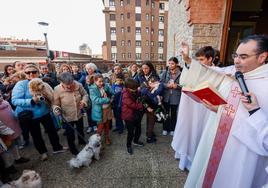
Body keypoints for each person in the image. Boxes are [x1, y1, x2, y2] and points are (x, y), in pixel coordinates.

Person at [182, 34, 268, 188]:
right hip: (218, 142)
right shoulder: (236, 74)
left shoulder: (265, 84)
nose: (236, 61)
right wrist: (219, 109)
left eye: (243, 56)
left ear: (262, 57)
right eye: (235, 55)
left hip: (241, 153)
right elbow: (214, 71)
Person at [171, 45, 219, 171]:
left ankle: (195, 163)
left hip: (204, 110)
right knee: (187, 131)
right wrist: (187, 61)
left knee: (198, 134)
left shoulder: (218, 73)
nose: (198, 63)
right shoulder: (195, 68)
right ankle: (183, 159)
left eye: (202, 60)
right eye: (197, 60)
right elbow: (184, 81)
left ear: (211, 59)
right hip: (190, 108)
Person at [11, 64, 66, 161]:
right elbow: (15, 100)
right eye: (28, 72)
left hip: (45, 112)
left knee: (52, 131)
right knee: (36, 135)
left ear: (38, 72)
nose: (31, 74)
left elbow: (51, 95)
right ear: (25, 73)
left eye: (34, 71)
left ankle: (57, 148)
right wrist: (31, 101)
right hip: (31, 115)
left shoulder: (43, 82)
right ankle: (43, 152)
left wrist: (54, 105)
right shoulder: (21, 84)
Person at [53, 72, 88, 155]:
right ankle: (72, 148)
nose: (69, 86)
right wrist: (56, 109)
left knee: (80, 128)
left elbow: (85, 95)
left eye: (71, 83)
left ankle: (81, 140)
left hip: (78, 113)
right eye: (66, 84)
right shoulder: (57, 89)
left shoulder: (78, 85)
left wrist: (83, 101)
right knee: (70, 134)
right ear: (61, 82)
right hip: (67, 116)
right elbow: (55, 103)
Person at [136, 61, 160, 143]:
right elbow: (135, 86)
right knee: (138, 119)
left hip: (151, 101)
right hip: (142, 101)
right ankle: (136, 138)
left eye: (146, 68)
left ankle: (149, 137)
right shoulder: (139, 75)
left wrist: (143, 87)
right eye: (143, 68)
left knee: (151, 120)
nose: (144, 70)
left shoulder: (155, 76)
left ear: (150, 68)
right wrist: (142, 88)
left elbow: (156, 88)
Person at [121, 78, 144, 155]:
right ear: (128, 87)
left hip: (136, 115)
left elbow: (140, 95)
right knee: (130, 132)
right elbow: (131, 104)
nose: (136, 89)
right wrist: (141, 105)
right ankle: (128, 145)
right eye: (135, 88)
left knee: (138, 129)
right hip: (129, 116)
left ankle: (136, 141)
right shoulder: (125, 94)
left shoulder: (135, 91)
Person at [160, 57, 182, 136]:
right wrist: (167, 85)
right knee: (165, 113)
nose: (170, 65)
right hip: (166, 96)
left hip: (175, 97)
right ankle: (165, 128)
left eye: (172, 63)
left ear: (176, 64)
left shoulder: (181, 73)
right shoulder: (165, 72)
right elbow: (161, 83)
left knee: (173, 114)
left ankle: (173, 129)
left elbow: (184, 85)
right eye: (169, 63)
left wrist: (177, 86)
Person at [90, 74, 113, 145]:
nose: (102, 83)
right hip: (99, 111)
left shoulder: (106, 86)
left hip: (107, 109)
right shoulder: (92, 89)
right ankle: (97, 141)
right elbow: (96, 100)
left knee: (107, 125)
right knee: (100, 127)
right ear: (95, 81)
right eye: (99, 81)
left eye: (102, 81)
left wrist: (112, 97)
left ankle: (107, 138)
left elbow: (112, 93)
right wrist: (107, 99)